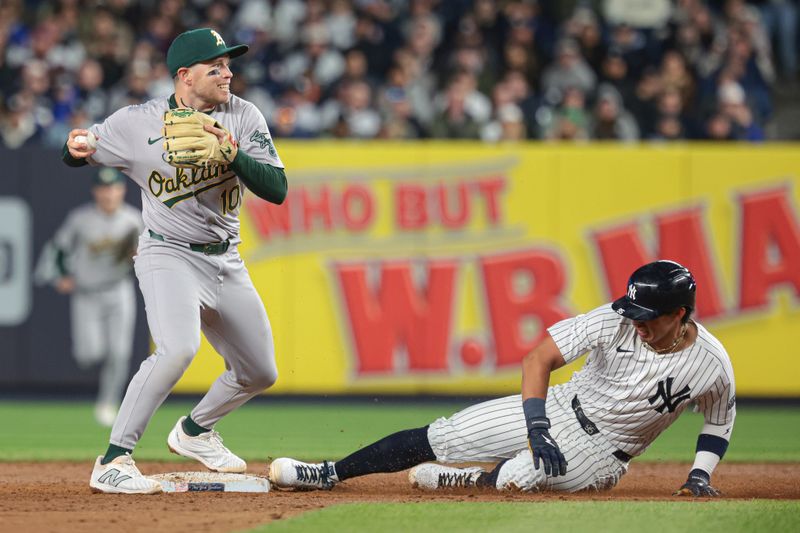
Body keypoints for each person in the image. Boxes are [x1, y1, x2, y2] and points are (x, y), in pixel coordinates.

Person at [269, 260, 735, 497]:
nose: (637, 322)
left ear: (679, 313)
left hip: (604, 451)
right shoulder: (613, 319)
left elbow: (718, 420)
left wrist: (699, 476)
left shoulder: (710, 362)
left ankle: (469, 482)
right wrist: (538, 427)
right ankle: (329, 472)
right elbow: (538, 359)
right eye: (633, 311)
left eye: (649, 316)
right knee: (443, 435)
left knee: (515, 478)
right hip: (558, 408)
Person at [62, 28, 288, 494]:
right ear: (185, 76)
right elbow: (81, 150)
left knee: (260, 371)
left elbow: (277, 189)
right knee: (177, 349)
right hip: (167, 251)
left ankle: (195, 431)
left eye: (228, 64)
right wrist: (75, 146)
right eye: (216, 66)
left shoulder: (244, 115)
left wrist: (233, 154)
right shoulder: (137, 122)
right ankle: (113, 459)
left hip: (225, 258)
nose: (228, 73)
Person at [47, 168, 143, 427]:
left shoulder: (134, 220)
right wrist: (63, 274)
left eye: (113, 188)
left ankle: (107, 402)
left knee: (119, 352)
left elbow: (149, 252)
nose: (109, 194)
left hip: (118, 289)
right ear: (96, 191)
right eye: (103, 188)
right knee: (88, 354)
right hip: (86, 293)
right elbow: (59, 249)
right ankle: (101, 387)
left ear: (121, 190)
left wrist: (139, 255)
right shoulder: (81, 219)